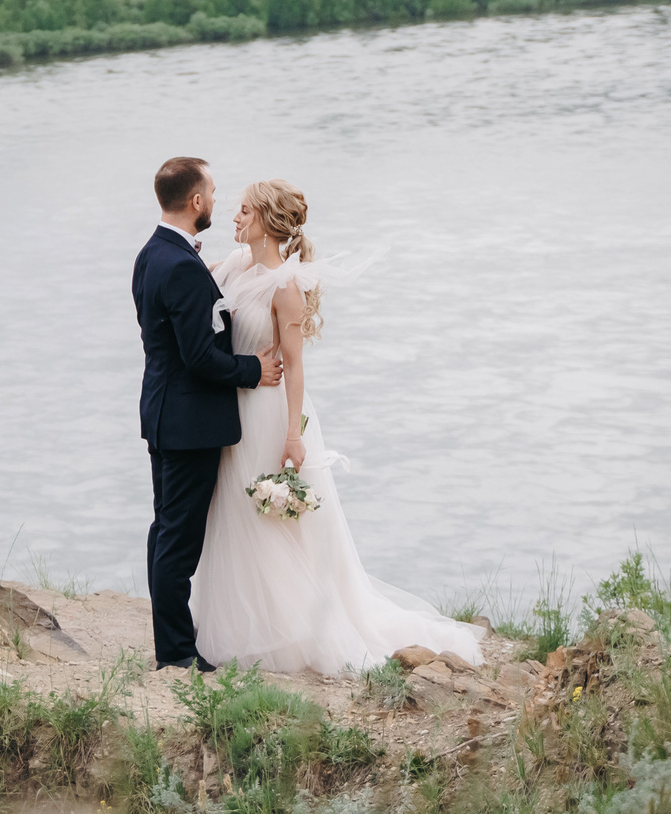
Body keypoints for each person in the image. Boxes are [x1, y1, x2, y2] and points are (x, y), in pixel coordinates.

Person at [190, 177, 485, 674]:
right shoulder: (238, 264)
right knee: (233, 514)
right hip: (233, 407)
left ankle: (288, 629)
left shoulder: (286, 286)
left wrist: (293, 436)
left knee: (269, 520)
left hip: (268, 413)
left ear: (267, 221)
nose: (235, 218)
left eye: (244, 211)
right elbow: (194, 277)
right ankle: (238, 621)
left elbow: (295, 366)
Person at [131, 156, 282, 670]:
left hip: (162, 412)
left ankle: (172, 643)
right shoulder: (179, 265)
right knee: (178, 539)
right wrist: (252, 369)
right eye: (213, 193)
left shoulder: (151, 254)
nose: (216, 201)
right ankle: (176, 654)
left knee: (165, 531)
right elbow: (198, 357)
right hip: (188, 424)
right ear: (196, 201)